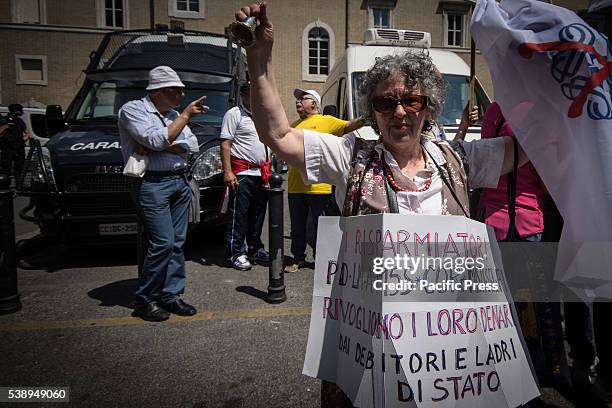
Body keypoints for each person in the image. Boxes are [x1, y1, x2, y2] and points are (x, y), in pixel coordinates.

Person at [233, 3, 529, 405]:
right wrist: (259, 55)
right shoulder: (351, 156)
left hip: (447, 345)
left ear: (430, 106)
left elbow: (524, 149)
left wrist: (551, 88)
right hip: (373, 339)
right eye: (385, 102)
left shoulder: (457, 158)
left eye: (412, 100)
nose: (400, 111)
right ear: (372, 110)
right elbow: (278, 135)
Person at [118, 66, 205, 322]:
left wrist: (163, 142)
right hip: (152, 184)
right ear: (158, 91)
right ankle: (145, 299)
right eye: (176, 90)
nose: (182, 95)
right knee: (162, 243)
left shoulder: (174, 115)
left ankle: (171, 295)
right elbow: (155, 141)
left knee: (177, 243)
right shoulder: (133, 110)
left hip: (178, 181)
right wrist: (182, 120)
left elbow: (191, 146)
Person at [284, 88, 364, 273]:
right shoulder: (293, 125)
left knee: (321, 228)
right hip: (296, 186)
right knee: (297, 227)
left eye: (302, 99)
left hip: (319, 187)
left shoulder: (326, 121)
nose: (298, 102)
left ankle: (322, 259)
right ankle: (298, 258)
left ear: (314, 103)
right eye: (297, 99)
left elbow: (350, 126)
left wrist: (368, 116)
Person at [220, 82, 270, 271]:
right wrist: (228, 171)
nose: (255, 97)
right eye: (251, 94)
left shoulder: (260, 115)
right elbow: (225, 144)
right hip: (242, 173)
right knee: (239, 214)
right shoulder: (234, 114)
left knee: (258, 214)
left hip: (260, 173)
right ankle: (235, 252)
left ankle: (255, 247)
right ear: (242, 95)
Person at [0, 104, 29, 183]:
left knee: (19, 168)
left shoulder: (20, 121)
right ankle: (5, 185)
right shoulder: (4, 120)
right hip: (7, 148)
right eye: (19, 110)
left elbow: (26, 132)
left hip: (19, 148)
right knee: (5, 168)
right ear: (15, 111)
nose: (21, 112)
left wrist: (25, 138)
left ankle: (19, 185)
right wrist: (5, 126)